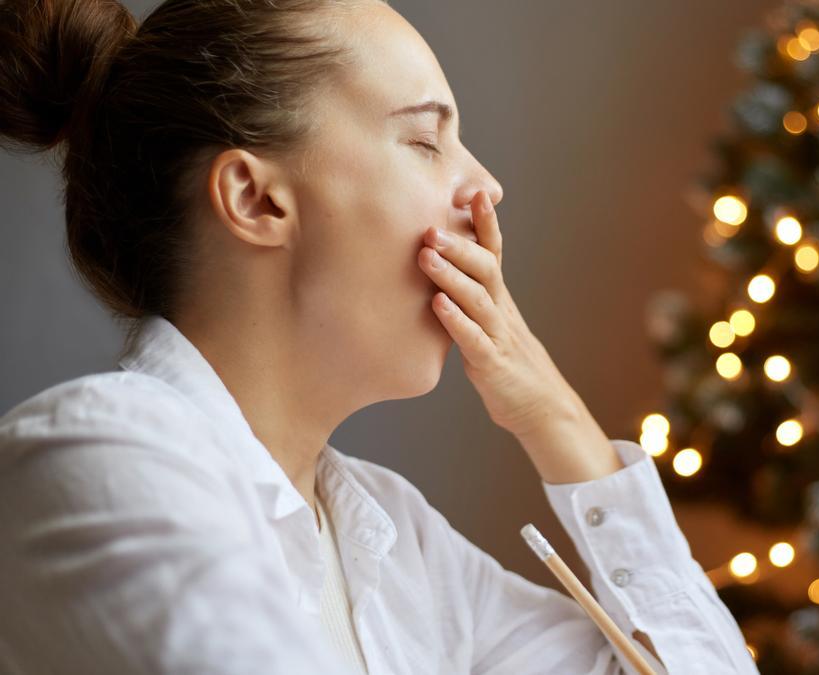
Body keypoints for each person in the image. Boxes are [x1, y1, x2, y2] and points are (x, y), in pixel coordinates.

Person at [0, 0, 760, 673]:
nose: (486, 190)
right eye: (426, 142)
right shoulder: (95, 455)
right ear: (255, 198)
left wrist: (556, 417)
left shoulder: (396, 540)